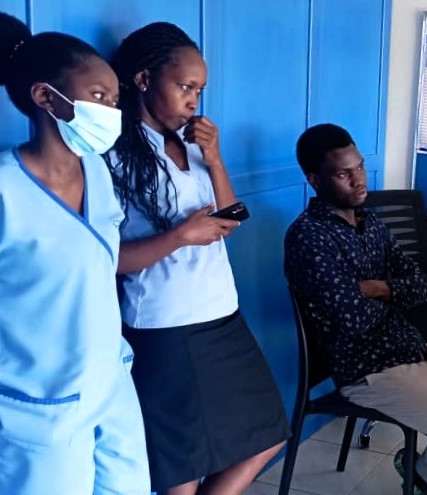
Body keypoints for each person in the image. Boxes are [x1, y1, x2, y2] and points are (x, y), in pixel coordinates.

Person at [102, 22, 289, 495]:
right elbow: (109, 259)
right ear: (143, 80)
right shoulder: (113, 155)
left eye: (200, 90)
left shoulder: (191, 146)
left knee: (265, 435)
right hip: (165, 326)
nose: (194, 101)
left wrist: (216, 157)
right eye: (185, 87)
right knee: (179, 472)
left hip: (221, 315)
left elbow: (232, 219)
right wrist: (181, 235)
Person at [284, 123, 427, 495]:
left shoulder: (370, 220)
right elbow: (352, 319)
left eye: (359, 167)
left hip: (410, 346)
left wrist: (377, 288)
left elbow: (419, 282)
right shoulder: (309, 237)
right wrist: (394, 295)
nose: (359, 180)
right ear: (314, 179)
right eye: (344, 174)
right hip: (368, 369)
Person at [0, 11, 150, 494]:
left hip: (109, 384)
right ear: (46, 97)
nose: (111, 111)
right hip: (35, 406)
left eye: (114, 99)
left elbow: (95, 261)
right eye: (99, 97)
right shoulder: (0, 190)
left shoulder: (98, 174)